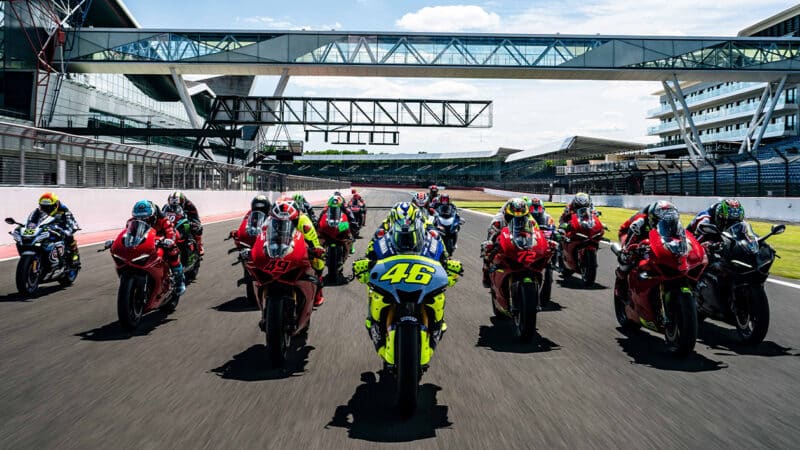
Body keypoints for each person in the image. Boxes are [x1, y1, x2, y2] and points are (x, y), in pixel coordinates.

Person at [357, 206, 461, 352]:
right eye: (400, 220)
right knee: (371, 287)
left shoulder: (430, 231)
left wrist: (448, 263)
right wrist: (365, 263)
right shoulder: (382, 231)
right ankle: (373, 319)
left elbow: (442, 253)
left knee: (439, 293)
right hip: (390, 272)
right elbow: (370, 252)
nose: (405, 223)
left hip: (420, 270)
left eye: (409, 220)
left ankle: (437, 323)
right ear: (393, 219)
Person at [269, 199, 327, 307]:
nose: (283, 223)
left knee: (318, 265)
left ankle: (318, 293)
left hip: (299, 249)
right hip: (277, 249)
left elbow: (313, 241)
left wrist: (315, 251)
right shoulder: (269, 221)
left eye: (288, 220)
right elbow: (261, 236)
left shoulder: (305, 222)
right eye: (278, 220)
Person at [131, 200, 185, 295]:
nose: (142, 220)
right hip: (147, 238)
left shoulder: (163, 219)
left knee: (173, 251)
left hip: (163, 237)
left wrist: (169, 240)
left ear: (153, 215)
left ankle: (179, 280)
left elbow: (170, 231)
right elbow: (128, 232)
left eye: (145, 218)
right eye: (138, 217)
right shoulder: (132, 221)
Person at [481, 198, 532, 288]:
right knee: (486, 248)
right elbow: (491, 235)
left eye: (521, 216)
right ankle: (486, 273)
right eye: (513, 216)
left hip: (520, 242)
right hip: (502, 241)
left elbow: (535, 231)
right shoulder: (498, 220)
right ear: (507, 213)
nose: (517, 217)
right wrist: (491, 242)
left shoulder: (529, 220)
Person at [27, 192, 80, 268]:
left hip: (61, 227)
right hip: (45, 228)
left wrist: (70, 228)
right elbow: (31, 221)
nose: (45, 209)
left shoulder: (63, 210)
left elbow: (71, 222)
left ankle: (74, 256)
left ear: (55, 205)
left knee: (69, 235)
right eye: (43, 207)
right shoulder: (37, 211)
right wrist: (30, 226)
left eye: (48, 207)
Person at [167, 191, 203, 256]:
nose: (175, 205)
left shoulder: (190, 205)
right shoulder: (166, 207)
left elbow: (195, 217)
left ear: (183, 201)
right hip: (175, 220)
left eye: (177, 204)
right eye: (173, 204)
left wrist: (193, 223)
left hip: (189, 218)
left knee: (198, 229)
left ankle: (199, 246)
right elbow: (163, 215)